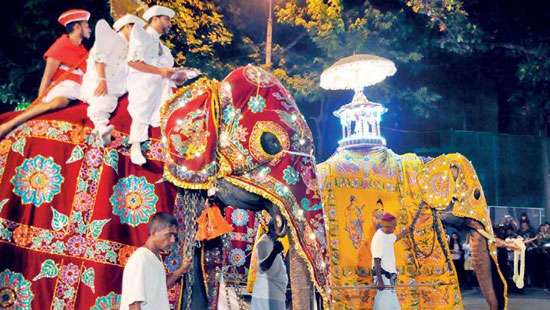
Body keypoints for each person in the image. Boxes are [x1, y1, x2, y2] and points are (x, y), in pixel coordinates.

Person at [126, 5, 200, 165]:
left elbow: (167, 72)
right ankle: (135, 144)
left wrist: (178, 76)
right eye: (166, 19)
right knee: (149, 88)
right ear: (155, 19)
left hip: (162, 83)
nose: (169, 24)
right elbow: (132, 62)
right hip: (143, 81)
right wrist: (161, 72)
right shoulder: (141, 36)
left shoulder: (164, 49)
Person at [0, 9, 91, 139]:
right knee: (58, 103)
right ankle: (7, 126)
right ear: (77, 27)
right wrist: (40, 99)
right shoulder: (60, 46)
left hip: (81, 90)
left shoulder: (83, 50)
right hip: (62, 90)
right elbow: (46, 77)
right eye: (86, 25)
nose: (89, 28)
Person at [80, 14, 145, 146]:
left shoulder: (132, 48)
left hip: (118, 84)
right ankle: (101, 128)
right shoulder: (109, 37)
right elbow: (99, 58)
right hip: (99, 80)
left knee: (113, 101)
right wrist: (102, 80)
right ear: (127, 27)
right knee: (103, 99)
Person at [120, 212, 190, 310]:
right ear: (154, 232)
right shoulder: (140, 259)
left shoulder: (154, 258)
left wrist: (182, 269)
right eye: (169, 234)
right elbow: (134, 304)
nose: (173, 240)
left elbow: (161, 285)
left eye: (174, 236)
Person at [371, 212, 408, 310]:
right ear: (387, 226)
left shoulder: (388, 234)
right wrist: (380, 281)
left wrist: (406, 232)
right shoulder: (378, 238)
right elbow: (376, 261)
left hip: (389, 278)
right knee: (384, 305)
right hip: (383, 277)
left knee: (392, 305)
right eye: (394, 226)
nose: (395, 228)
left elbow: (396, 238)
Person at [251, 214, 288, 310]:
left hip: (275, 292)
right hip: (267, 293)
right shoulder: (263, 242)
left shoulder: (272, 242)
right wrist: (275, 252)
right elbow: (263, 266)